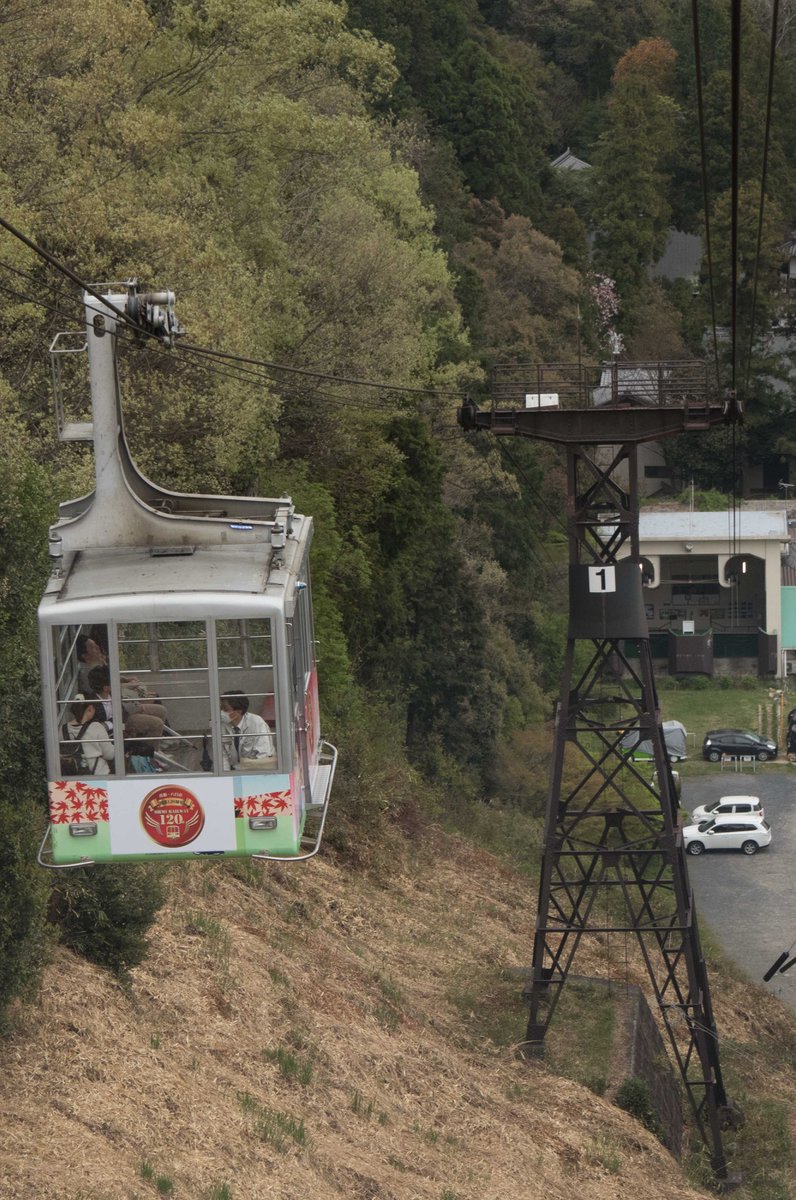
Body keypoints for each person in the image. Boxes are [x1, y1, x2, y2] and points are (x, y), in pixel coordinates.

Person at [87, 665, 168, 744]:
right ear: (105, 688)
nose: (117, 682)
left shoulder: (111, 692)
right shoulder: (93, 704)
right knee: (157, 723)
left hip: (124, 715)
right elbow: (100, 726)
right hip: (122, 722)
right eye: (114, 680)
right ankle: (151, 751)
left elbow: (122, 706)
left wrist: (135, 707)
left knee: (161, 710)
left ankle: (155, 744)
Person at [220, 691, 275, 769]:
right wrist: (225, 776)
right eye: (221, 708)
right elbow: (222, 756)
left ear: (238, 711)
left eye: (225, 709)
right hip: (234, 771)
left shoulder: (257, 723)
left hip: (256, 771)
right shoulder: (222, 725)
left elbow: (263, 754)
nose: (221, 713)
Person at [65, 693, 114, 776]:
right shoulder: (96, 727)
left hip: (71, 777)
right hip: (99, 775)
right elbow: (110, 755)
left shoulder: (62, 729)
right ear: (90, 709)